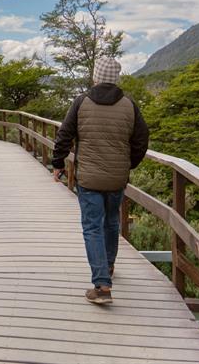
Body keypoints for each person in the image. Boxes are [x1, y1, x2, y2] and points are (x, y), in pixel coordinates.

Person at [51, 57, 149, 305]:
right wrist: (128, 165)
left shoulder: (81, 102)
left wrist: (58, 163)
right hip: (117, 178)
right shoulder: (129, 105)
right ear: (117, 78)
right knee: (112, 222)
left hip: (89, 178)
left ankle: (102, 285)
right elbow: (141, 141)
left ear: (96, 76)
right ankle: (109, 266)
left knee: (93, 227)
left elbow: (65, 134)